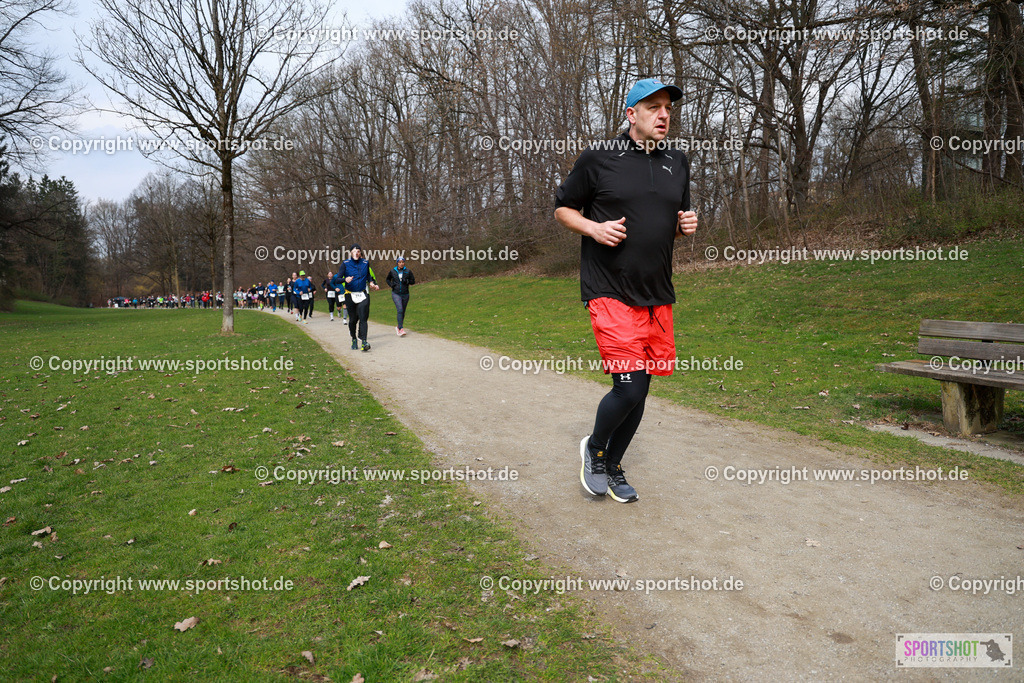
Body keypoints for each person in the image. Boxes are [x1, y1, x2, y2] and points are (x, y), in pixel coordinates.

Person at [554, 78, 698, 503]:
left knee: (643, 389)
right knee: (630, 387)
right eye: (653, 107)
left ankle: (614, 464)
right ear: (631, 114)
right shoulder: (599, 158)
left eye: (668, 107)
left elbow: (672, 220)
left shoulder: (678, 161)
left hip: (657, 293)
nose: (664, 114)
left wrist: (683, 227)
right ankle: (594, 449)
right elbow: (562, 208)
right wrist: (593, 228)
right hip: (608, 289)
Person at [334, 244, 378, 351]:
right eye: (354, 251)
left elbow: (368, 275)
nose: (356, 253)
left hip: (362, 294)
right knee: (353, 319)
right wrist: (345, 279)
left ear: (360, 253)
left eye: (358, 251)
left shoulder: (365, 263)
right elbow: (337, 279)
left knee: (363, 317)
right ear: (350, 253)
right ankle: (354, 338)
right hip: (350, 294)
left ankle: (364, 341)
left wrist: (372, 282)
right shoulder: (345, 264)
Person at [385, 257, 415, 336]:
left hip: (405, 294)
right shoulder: (393, 271)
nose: (401, 263)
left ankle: (398, 326)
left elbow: (413, 281)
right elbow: (387, 279)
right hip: (396, 293)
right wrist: (392, 285)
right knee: (400, 309)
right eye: (400, 262)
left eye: (403, 262)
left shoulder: (408, 271)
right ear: (397, 263)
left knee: (403, 312)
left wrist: (407, 281)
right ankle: (401, 329)